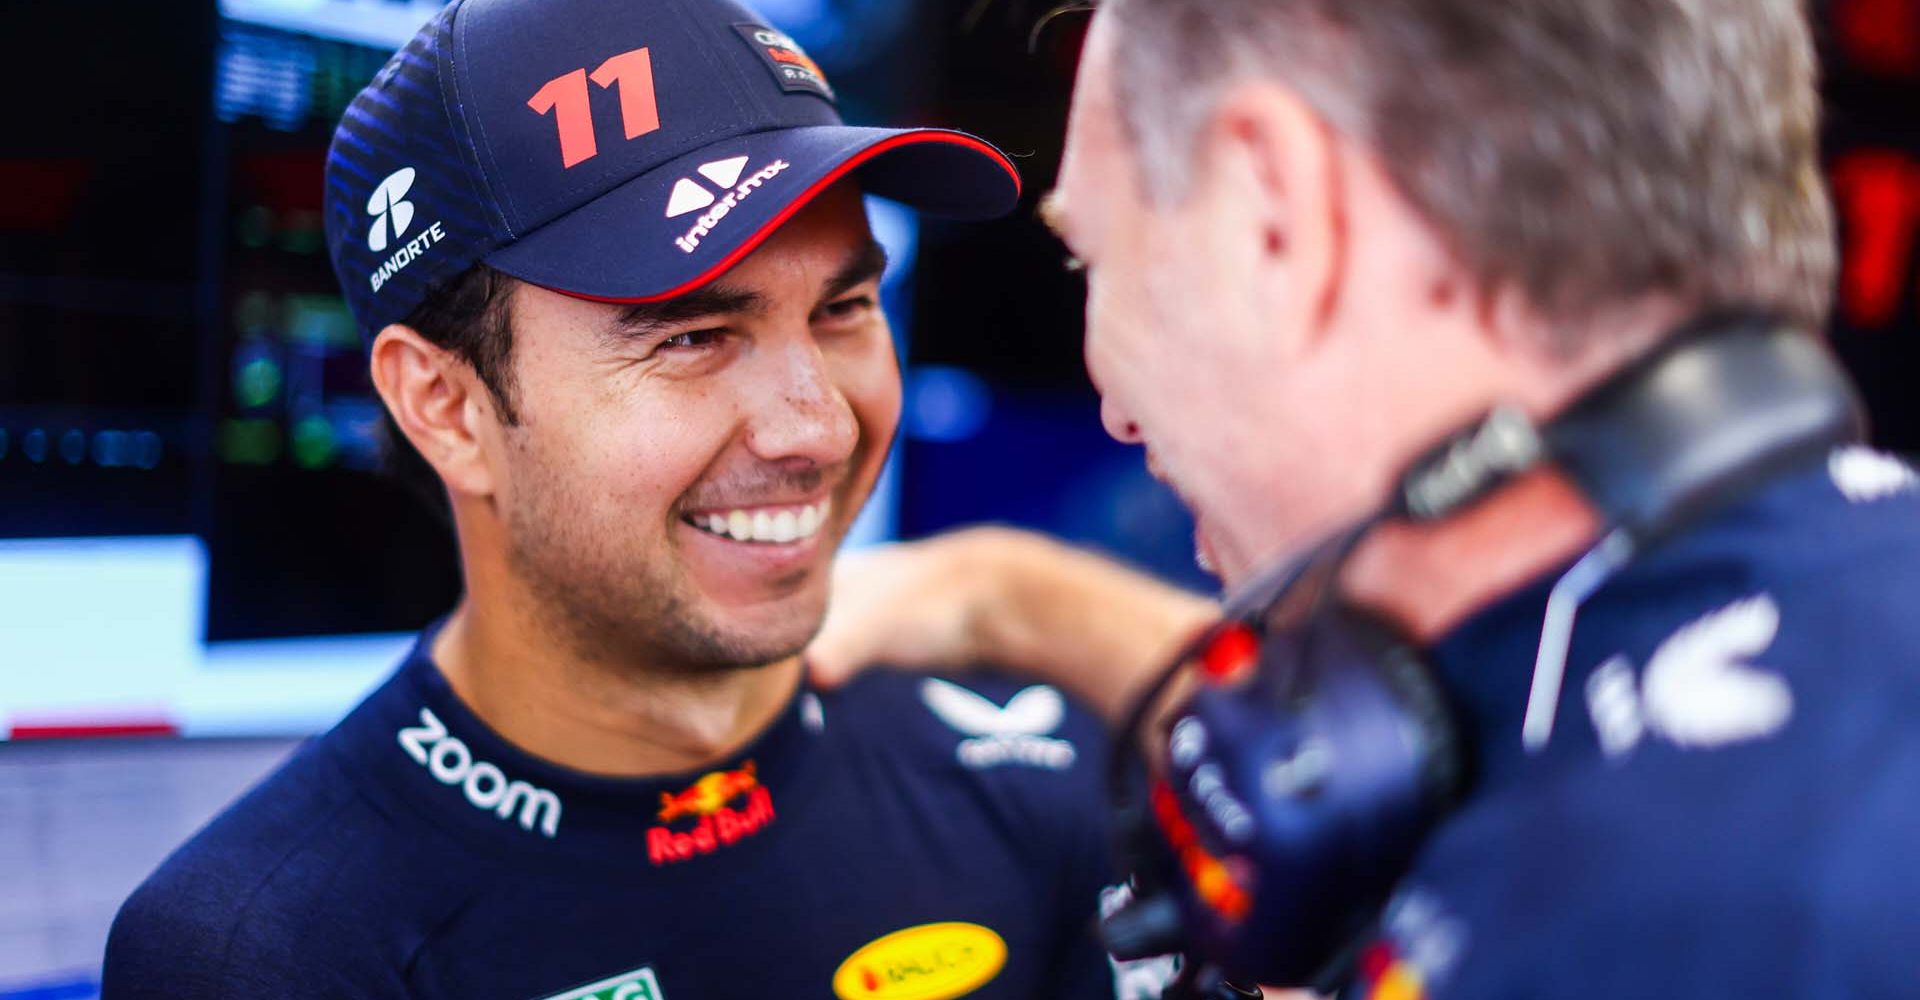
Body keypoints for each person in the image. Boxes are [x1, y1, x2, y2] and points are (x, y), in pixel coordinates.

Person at [811, 1, 1920, 997]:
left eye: (1093, 258)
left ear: (1275, 215)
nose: (1114, 405)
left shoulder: (1609, 927)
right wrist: (1003, 594)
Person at [100, 0, 1150, 996]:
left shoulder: (1039, 774)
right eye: (692, 336)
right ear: (445, 405)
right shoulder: (262, 952)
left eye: (846, 308)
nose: (819, 427)